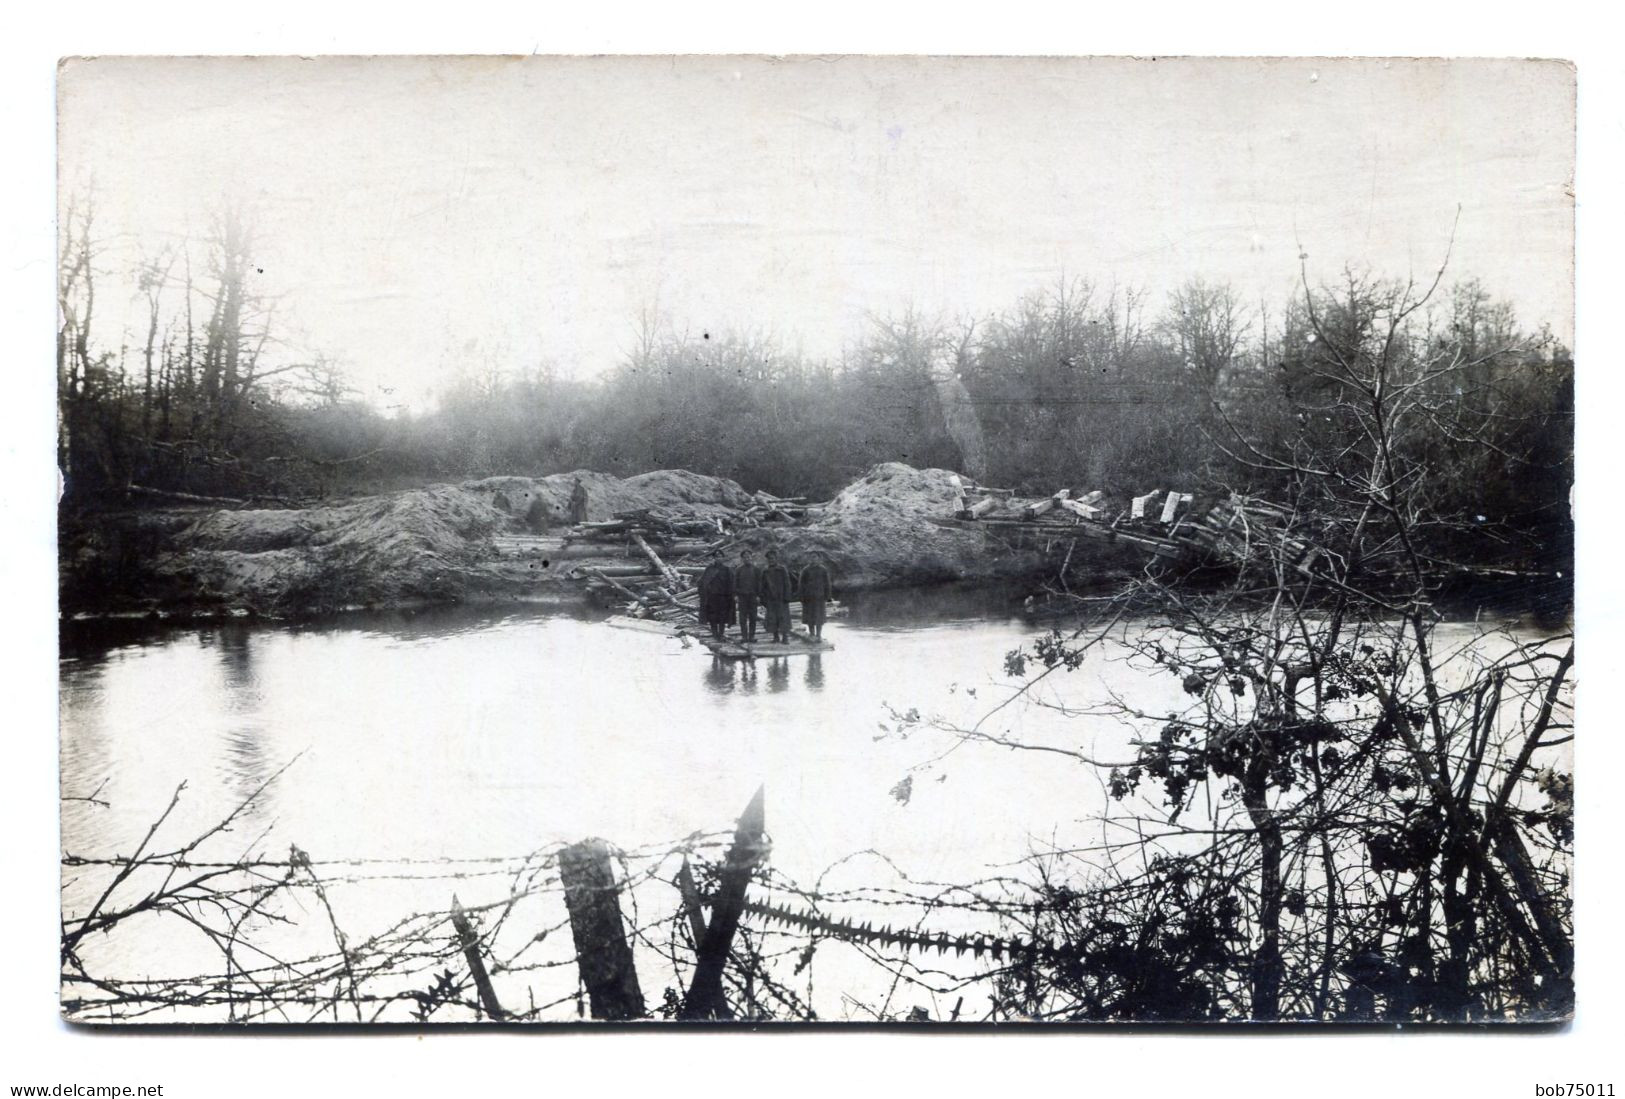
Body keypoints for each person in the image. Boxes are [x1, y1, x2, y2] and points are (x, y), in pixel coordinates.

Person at [697, 550, 735, 640]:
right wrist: (704, 592)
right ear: (714, 558)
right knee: (712, 616)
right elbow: (703, 582)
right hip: (711, 597)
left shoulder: (727, 570)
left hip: (723, 597)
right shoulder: (709, 569)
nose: (719, 558)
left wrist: (731, 595)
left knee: (722, 616)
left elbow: (731, 583)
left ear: (723, 558)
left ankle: (721, 634)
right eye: (717, 557)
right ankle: (714, 634)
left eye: (720, 556)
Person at [798, 553, 834, 642]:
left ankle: (818, 635)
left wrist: (828, 596)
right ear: (809, 559)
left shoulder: (823, 570)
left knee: (819, 617)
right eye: (812, 557)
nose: (813, 559)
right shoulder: (806, 570)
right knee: (810, 616)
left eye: (815, 557)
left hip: (819, 597)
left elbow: (827, 584)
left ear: (818, 559)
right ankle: (811, 633)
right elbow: (801, 584)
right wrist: (801, 597)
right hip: (808, 598)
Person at [760, 548, 793, 645]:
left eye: (773, 558)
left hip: (781, 598)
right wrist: (763, 598)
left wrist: (787, 596)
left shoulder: (782, 569)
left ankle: (785, 637)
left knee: (783, 617)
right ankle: (775, 637)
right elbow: (762, 586)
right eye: (769, 559)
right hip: (770, 599)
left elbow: (787, 583)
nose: (771, 560)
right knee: (772, 618)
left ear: (776, 559)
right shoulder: (765, 571)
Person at [733, 552, 761, 643]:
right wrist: (736, 595)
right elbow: (735, 583)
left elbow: (759, 584)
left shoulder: (756, 569)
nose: (747, 559)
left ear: (751, 558)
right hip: (742, 597)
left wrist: (758, 595)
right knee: (742, 618)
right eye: (745, 557)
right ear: (742, 559)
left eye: (748, 557)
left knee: (753, 617)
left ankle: (751, 636)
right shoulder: (738, 570)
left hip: (753, 597)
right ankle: (744, 636)